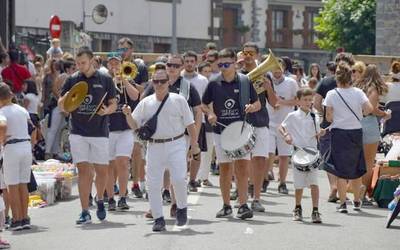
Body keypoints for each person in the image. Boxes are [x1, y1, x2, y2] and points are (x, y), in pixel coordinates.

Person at [122, 68, 199, 232]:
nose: (159, 84)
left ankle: (182, 209)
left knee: (178, 179)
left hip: (176, 143)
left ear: (168, 82)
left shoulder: (178, 100)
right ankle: (158, 218)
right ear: (152, 82)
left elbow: (190, 124)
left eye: (162, 81)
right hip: (154, 146)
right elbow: (134, 125)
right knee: (153, 184)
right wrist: (128, 115)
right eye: (155, 81)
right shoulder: (146, 102)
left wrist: (194, 144)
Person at [58, 46, 117, 224]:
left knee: (102, 171)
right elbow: (62, 105)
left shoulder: (105, 79)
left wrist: (107, 111)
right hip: (78, 132)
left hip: (99, 132)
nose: (80, 66)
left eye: (83, 63)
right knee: (84, 171)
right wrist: (65, 99)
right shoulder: (72, 79)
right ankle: (84, 211)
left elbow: (113, 104)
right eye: (77, 63)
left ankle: (100, 199)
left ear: (92, 61)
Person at [202, 48, 261, 219]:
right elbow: (204, 104)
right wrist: (210, 113)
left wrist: (252, 107)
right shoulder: (213, 82)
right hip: (221, 131)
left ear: (235, 63)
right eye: (220, 64)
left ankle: (243, 205)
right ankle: (226, 205)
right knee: (225, 169)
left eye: (226, 64)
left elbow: (257, 103)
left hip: (241, 131)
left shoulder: (244, 81)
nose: (223, 67)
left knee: (242, 168)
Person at [323, 61, 373, 213]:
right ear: (350, 77)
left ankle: (343, 203)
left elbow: (329, 117)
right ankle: (357, 201)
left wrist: (339, 116)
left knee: (339, 169)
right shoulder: (358, 92)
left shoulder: (331, 94)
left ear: (337, 78)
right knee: (356, 168)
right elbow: (369, 109)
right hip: (355, 132)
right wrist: (359, 114)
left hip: (339, 133)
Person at [240, 42, 277, 212]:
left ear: (256, 55)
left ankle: (256, 197)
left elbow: (274, 103)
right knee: (242, 160)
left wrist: (269, 88)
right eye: (245, 52)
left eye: (250, 53)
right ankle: (242, 192)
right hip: (242, 123)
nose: (247, 56)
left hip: (261, 122)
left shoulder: (265, 76)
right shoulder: (238, 75)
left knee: (260, 160)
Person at [314, 52, 355, 203]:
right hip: (348, 127)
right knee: (344, 158)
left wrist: (323, 114)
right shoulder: (354, 84)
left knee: (328, 157)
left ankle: (333, 186)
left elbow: (316, 102)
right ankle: (342, 188)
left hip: (328, 125)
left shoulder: (325, 82)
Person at [279, 88, 322, 223]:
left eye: (310, 100)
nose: (308, 102)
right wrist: (286, 135)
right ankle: (298, 208)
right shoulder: (292, 116)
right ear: (298, 101)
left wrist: (321, 133)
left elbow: (317, 134)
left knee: (314, 183)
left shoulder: (314, 116)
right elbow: (281, 126)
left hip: (312, 153)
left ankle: (315, 210)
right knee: (299, 185)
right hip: (298, 153)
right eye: (305, 100)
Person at [105, 55, 139, 211]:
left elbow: (135, 96)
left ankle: (123, 197)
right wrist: (112, 83)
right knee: (110, 165)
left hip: (125, 129)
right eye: (111, 63)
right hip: (108, 129)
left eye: (117, 63)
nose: (114, 66)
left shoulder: (128, 81)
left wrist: (123, 80)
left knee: (123, 163)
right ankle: (111, 197)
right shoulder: (105, 81)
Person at [354, 64, 390, 205]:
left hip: (355, 124)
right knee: (369, 162)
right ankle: (362, 195)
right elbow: (371, 110)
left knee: (357, 161)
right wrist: (384, 114)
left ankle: (355, 192)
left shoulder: (357, 88)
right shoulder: (373, 89)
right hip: (369, 124)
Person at [0, 83, 32, 231]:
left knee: (12, 185)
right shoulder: (22, 109)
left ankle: (17, 219)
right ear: (11, 95)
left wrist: (1, 139)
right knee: (23, 184)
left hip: (12, 147)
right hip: (26, 145)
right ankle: (25, 217)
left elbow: (2, 126)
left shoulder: (2, 111)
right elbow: (32, 127)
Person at [266, 59, 299, 195]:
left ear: (284, 68)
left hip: (285, 124)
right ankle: (265, 178)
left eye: (280, 68)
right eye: (274, 68)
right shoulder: (266, 81)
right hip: (268, 122)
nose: (277, 71)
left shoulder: (291, 82)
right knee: (268, 153)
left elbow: (297, 100)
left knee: (284, 156)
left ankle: (282, 182)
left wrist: (282, 102)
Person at [182, 51, 208, 192]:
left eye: (192, 61)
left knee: (196, 151)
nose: (190, 64)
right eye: (187, 61)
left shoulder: (202, 80)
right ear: (183, 62)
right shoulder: (178, 78)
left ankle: (192, 180)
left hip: (198, 120)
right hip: (180, 122)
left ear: (196, 62)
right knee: (182, 153)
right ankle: (181, 179)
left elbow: (206, 100)